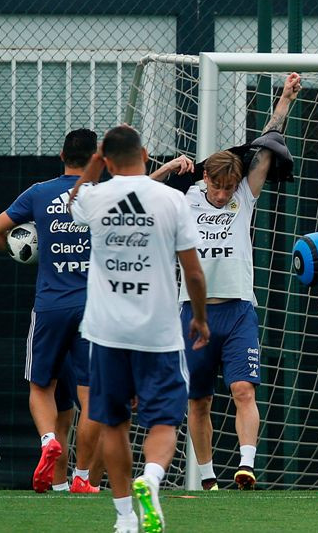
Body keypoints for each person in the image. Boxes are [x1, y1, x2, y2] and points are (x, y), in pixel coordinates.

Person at [69, 125, 210, 533]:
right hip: (158, 333)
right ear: (146, 154)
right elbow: (194, 274)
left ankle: (125, 517)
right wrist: (199, 317)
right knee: (165, 421)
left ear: (107, 160)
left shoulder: (94, 197)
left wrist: (93, 167)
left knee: (113, 424)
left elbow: (74, 197)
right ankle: (151, 478)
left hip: (106, 332)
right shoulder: (172, 200)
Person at [175, 71, 301, 491]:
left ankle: (246, 465)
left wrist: (284, 100)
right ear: (206, 178)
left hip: (238, 310)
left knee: (244, 389)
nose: (226, 194)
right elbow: (139, 190)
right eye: (220, 186)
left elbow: (265, 148)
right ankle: (208, 477)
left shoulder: (245, 195)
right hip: (193, 313)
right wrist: (166, 168)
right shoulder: (186, 197)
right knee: (199, 399)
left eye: (231, 187)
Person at [0, 129, 104, 494]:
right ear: (95, 158)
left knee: (41, 385)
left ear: (62, 155)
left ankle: (49, 439)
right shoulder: (102, 197)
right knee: (91, 396)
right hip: (93, 308)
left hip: (51, 303)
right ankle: (82, 477)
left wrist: (23, 254)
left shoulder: (38, 193)